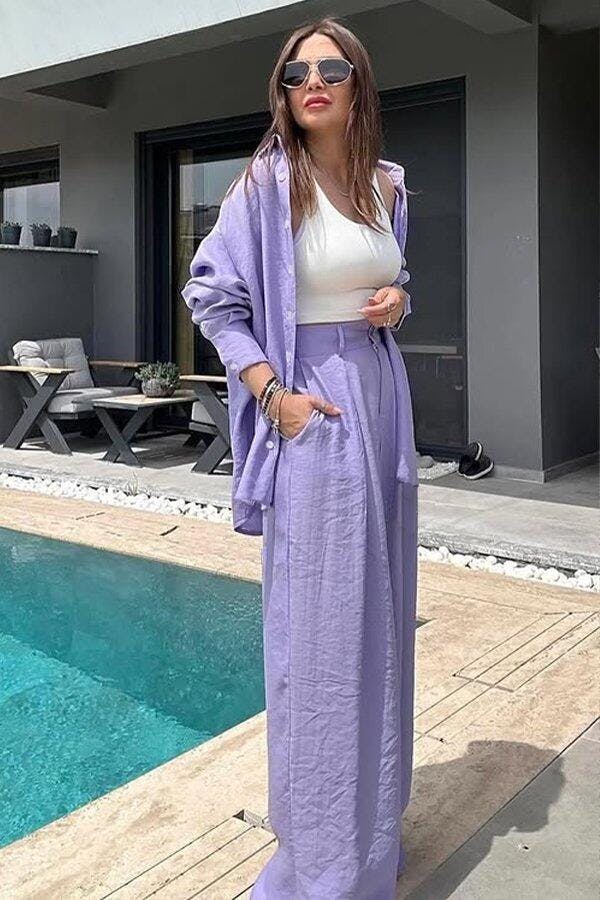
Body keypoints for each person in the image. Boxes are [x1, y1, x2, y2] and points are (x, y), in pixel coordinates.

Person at [182, 16, 419, 898]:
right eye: (295, 73)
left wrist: (397, 298)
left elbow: (392, 278)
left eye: (331, 69)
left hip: (381, 403)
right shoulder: (265, 185)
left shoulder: (387, 185)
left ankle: (371, 839)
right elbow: (211, 295)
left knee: (381, 620)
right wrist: (271, 394)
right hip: (311, 406)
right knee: (320, 634)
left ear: (358, 83)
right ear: (282, 93)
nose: (312, 83)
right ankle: (320, 861)